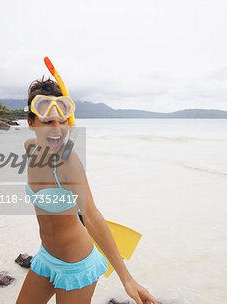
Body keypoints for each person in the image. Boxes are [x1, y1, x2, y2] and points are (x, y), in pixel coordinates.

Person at [16, 77, 158, 304]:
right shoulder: (29, 149)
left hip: (76, 267)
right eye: (48, 122)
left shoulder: (68, 161)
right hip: (46, 257)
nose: (57, 129)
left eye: (62, 121)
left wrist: (127, 280)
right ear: (31, 123)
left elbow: (91, 215)